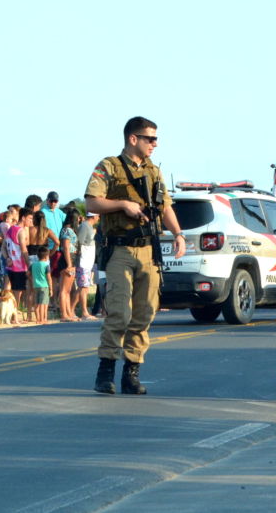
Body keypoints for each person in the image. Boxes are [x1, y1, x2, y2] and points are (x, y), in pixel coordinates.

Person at [85, 116, 186, 395]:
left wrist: (178, 234)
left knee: (144, 313)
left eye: (156, 139)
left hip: (148, 250)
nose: (155, 144)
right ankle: (106, 370)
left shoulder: (153, 170)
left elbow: (164, 206)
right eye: (149, 138)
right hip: (120, 249)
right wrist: (123, 205)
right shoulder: (109, 166)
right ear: (133, 139)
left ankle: (132, 370)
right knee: (119, 312)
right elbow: (91, 201)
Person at [76, 211, 100, 320]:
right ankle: (84, 312)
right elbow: (79, 242)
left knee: (85, 287)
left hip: (88, 261)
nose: (99, 218)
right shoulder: (84, 226)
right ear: (94, 216)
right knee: (83, 287)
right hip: (83, 261)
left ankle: (74, 309)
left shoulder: (90, 227)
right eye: (98, 215)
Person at [57, 209, 80, 322]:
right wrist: (69, 264)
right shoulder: (66, 230)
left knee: (68, 290)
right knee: (64, 290)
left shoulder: (69, 230)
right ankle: (64, 314)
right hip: (68, 259)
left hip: (71, 258)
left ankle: (68, 313)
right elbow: (66, 247)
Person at [30, 246, 52, 324]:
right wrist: (51, 289)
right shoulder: (46, 265)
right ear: (46, 256)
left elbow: (28, 274)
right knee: (43, 303)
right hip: (44, 286)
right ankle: (42, 319)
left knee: (36, 303)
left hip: (36, 286)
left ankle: (38, 319)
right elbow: (49, 278)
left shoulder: (33, 265)